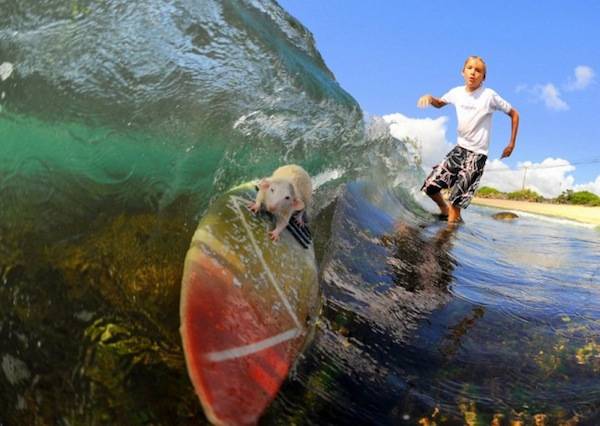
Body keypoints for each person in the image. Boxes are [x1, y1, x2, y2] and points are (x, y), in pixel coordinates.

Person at [417, 56, 519, 223]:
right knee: (430, 186)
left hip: (477, 155)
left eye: (478, 70)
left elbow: (514, 114)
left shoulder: (489, 95)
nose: (473, 73)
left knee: (455, 203)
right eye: (470, 68)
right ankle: (444, 210)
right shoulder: (456, 92)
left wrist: (511, 144)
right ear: (462, 72)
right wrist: (430, 97)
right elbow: (440, 103)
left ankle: (446, 242)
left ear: (483, 77)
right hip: (459, 150)